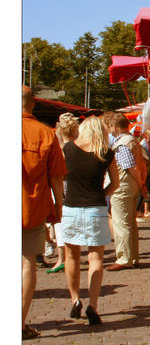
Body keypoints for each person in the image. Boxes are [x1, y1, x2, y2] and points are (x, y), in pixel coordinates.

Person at [61, 115, 120, 326]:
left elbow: (59, 176)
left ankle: (75, 299)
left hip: (71, 207)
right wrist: (102, 194)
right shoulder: (106, 153)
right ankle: (92, 305)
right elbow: (116, 183)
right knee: (96, 258)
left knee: (72, 256)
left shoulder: (67, 149)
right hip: (95, 206)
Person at [22, 86, 67, 339]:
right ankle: (19, 323)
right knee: (28, 263)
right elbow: (57, 177)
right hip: (31, 208)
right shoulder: (44, 133)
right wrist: (59, 205)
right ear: (34, 104)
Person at [107, 113, 146, 271]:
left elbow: (131, 167)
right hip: (131, 186)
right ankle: (132, 256)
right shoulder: (132, 140)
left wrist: (140, 182)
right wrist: (141, 183)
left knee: (121, 224)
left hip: (123, 186)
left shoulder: (122, 144)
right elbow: (142, 164)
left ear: (114, 127)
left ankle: (124, 258)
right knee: (130, 223)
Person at [45, 113, 81, 275]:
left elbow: (57, 176)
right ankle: (71, 256)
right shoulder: (81, 148)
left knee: (59, 223)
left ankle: (62, 258)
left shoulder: (60, 151)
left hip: (62, 188)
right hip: (77, 189)